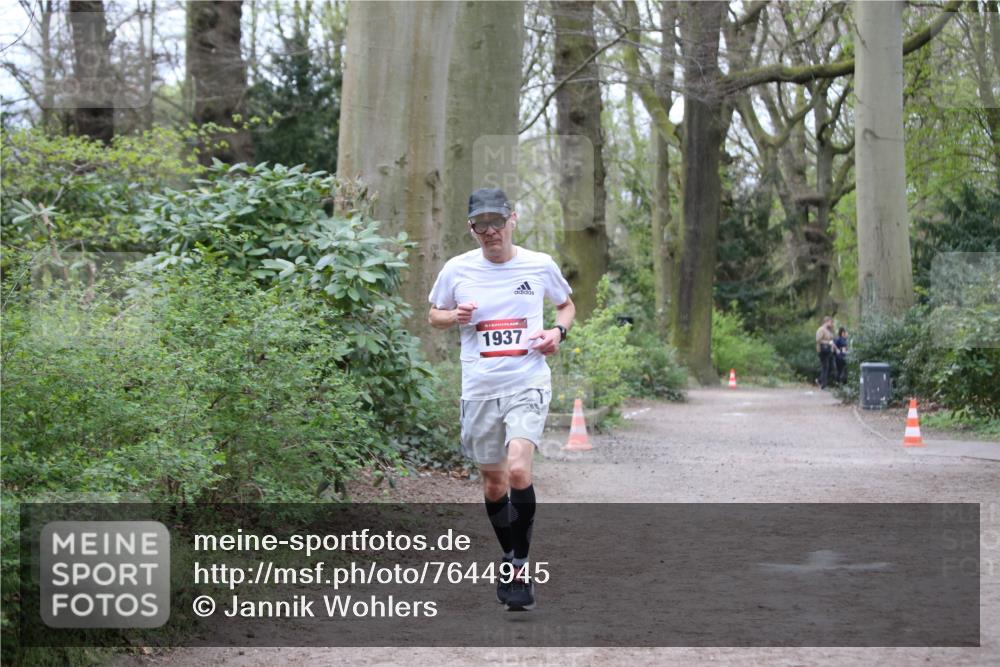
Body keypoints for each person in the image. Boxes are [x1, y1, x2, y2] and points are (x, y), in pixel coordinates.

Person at [428, 187, 575, 612]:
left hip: (526, 382)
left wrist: (557, 333)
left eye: (497, 221)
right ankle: (509, 555)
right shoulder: (457, 270)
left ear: (513, 219)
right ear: (471, 228)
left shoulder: (539, 265)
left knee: (517, 471)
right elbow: (433, 314)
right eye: (481, 225)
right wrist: (452, 317)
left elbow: (566, 306)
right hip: (478, 390)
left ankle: (520, 566)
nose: (490, 231)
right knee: (493, 483)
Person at [815, 316, 836, 389]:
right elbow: (818, 340)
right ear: (826, 322)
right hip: (823, 350)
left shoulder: (829, 330)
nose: (832, 324)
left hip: (829, 351)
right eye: (830, 322)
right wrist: (828, 342)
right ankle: (824, 385)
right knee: (825, 367)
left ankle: (820, 380)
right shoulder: (821, 329)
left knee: (830, 367)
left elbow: (831, 339)